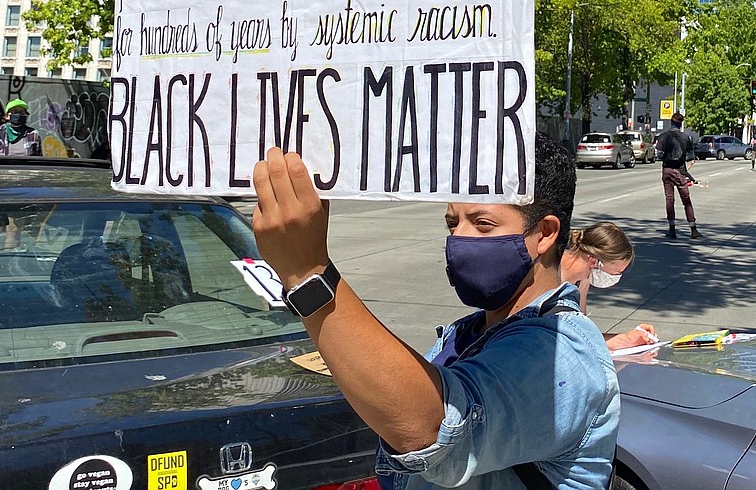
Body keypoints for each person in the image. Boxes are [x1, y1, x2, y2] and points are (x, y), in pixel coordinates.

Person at [251, 133, 620, 490]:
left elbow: (432, 429)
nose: (459, 238)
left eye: (483, 223)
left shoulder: (562, 353)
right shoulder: (464, 336)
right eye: (452, 223)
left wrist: (310, 274)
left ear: (544, 233)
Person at [560, 222, 657, 352]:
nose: (616, 278)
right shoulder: (547, 272)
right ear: (594, 262)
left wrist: (627, 339)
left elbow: (581, 335)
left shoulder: (582, 281)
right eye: (615, 273)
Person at [655, 112, 701, 239]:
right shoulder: (686, 138)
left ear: (671, 122)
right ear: (681, 124)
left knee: (669, 199)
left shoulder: (663, 137)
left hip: (667, 170)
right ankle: (693, 229)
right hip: (680, 171)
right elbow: (691, 156)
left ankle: (672, 229)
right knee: (686, 200)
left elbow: (659, 155)